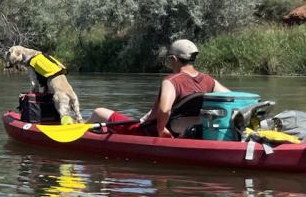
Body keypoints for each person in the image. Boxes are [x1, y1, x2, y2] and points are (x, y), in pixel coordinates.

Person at [87, 39, 230, 138]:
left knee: (98, 112)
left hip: (148, 131)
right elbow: (231, 97)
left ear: (174, 59)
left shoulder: (171, 81)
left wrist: (161, 130)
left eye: (169, 58)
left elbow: (164, 109)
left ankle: (81, 139)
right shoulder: (209, 80)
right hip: (185, 129)